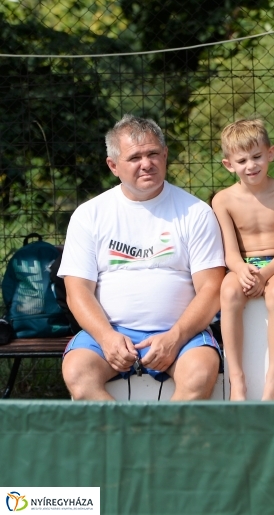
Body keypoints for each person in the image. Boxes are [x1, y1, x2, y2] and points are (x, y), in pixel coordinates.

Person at [59, 115, 226, 401]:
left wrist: (175, 337)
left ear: (165, 155)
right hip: (110, 333)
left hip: (181, 332)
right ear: (113, 166)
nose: (146, 163)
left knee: (200, 373)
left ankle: (159, 445)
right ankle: (129, 442)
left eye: (152, 154)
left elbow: (211, 289)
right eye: (134, 157)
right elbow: (77, 292)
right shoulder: (89, 215)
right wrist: (106, 337)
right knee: (77, 372)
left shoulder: (196, 212)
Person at [211, 118, 274, 401]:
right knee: (228, 291)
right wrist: (240, 270)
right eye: (242, 160)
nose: (251, 165)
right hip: (245, 265)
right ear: (229, 165)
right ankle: (236, 378)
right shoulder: (223, 200)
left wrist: (264, 275)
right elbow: (230, 253)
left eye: (257, 157)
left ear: (271, 153)